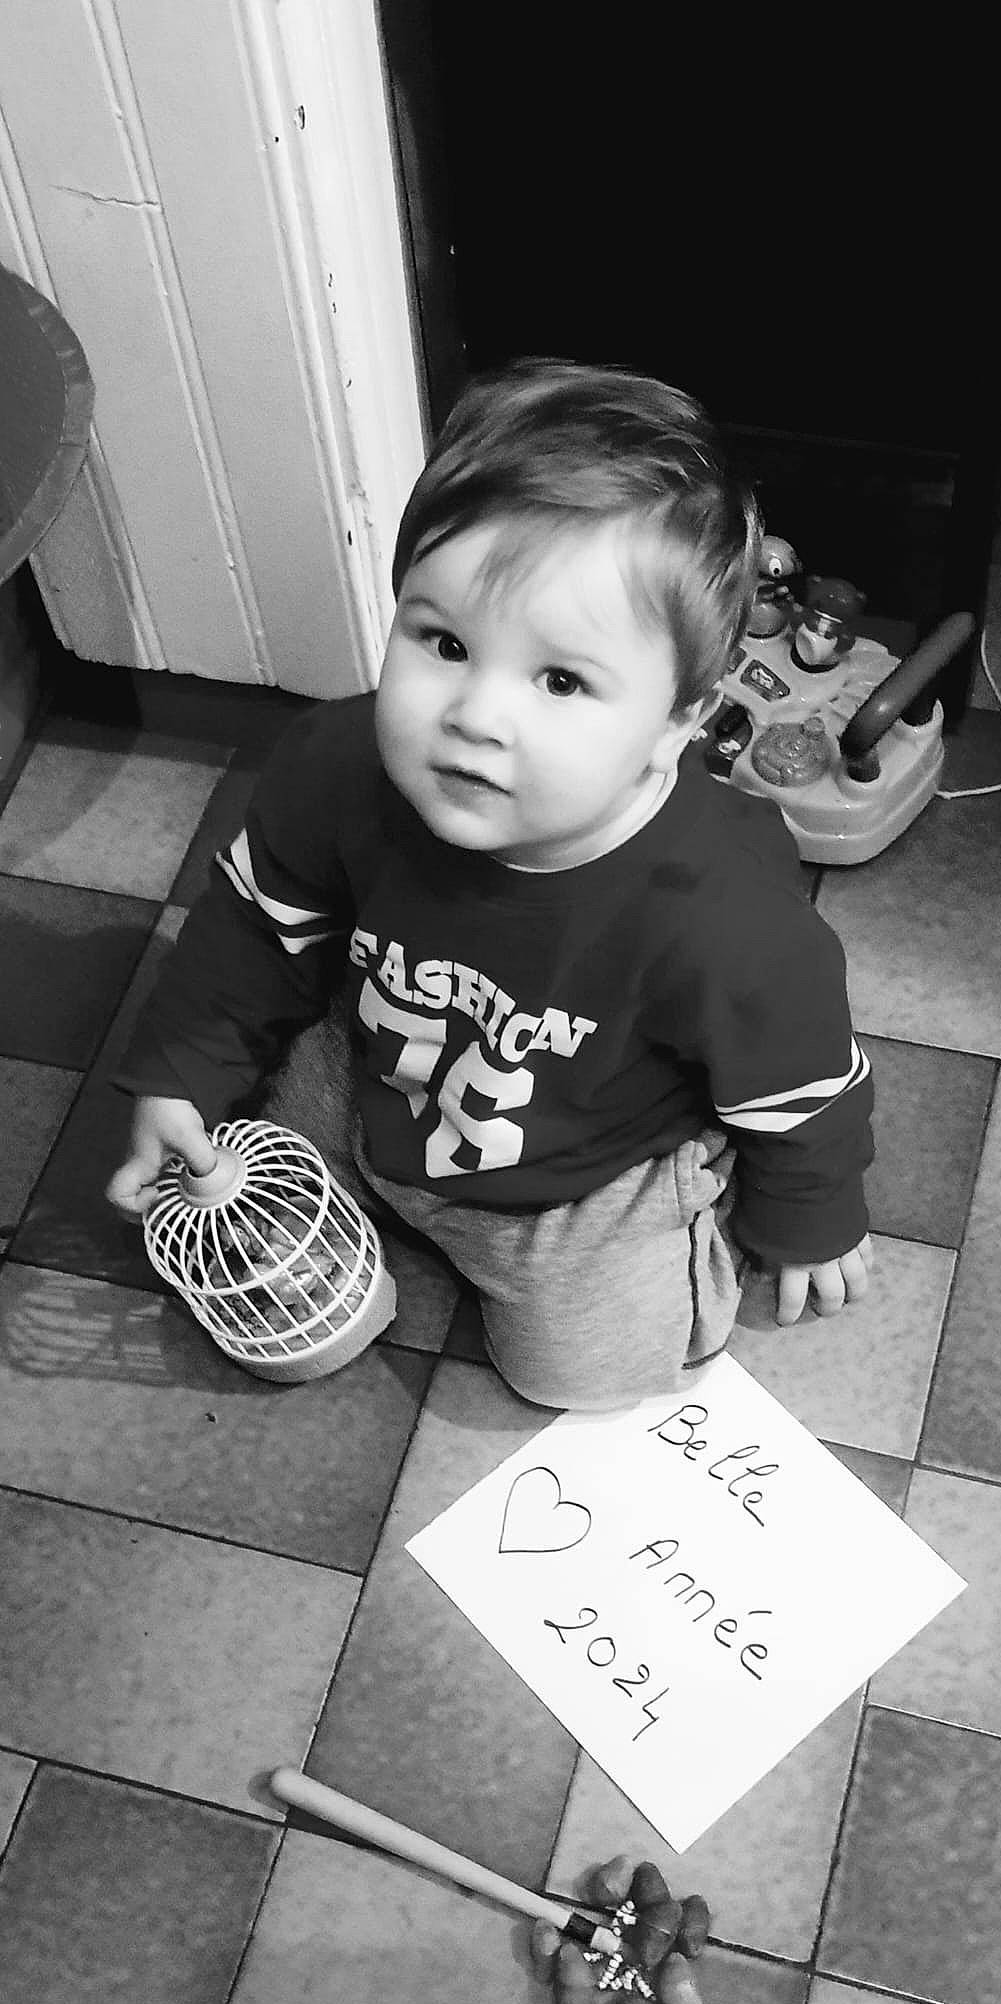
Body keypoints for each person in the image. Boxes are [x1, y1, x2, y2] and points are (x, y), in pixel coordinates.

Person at [107, 357, 873, 1409]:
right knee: (240, 1179)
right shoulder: (334, 764)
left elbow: (802, 1089)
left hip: (584, 1174)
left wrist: (806, 1221)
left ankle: (686, 1198)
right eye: (445, 641)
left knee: (585, 1381)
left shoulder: (726, 920)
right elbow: (250, 928)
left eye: (559, 679)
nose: (474, 712)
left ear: (676, 723)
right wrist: (179, 1077)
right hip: (380, 1068)